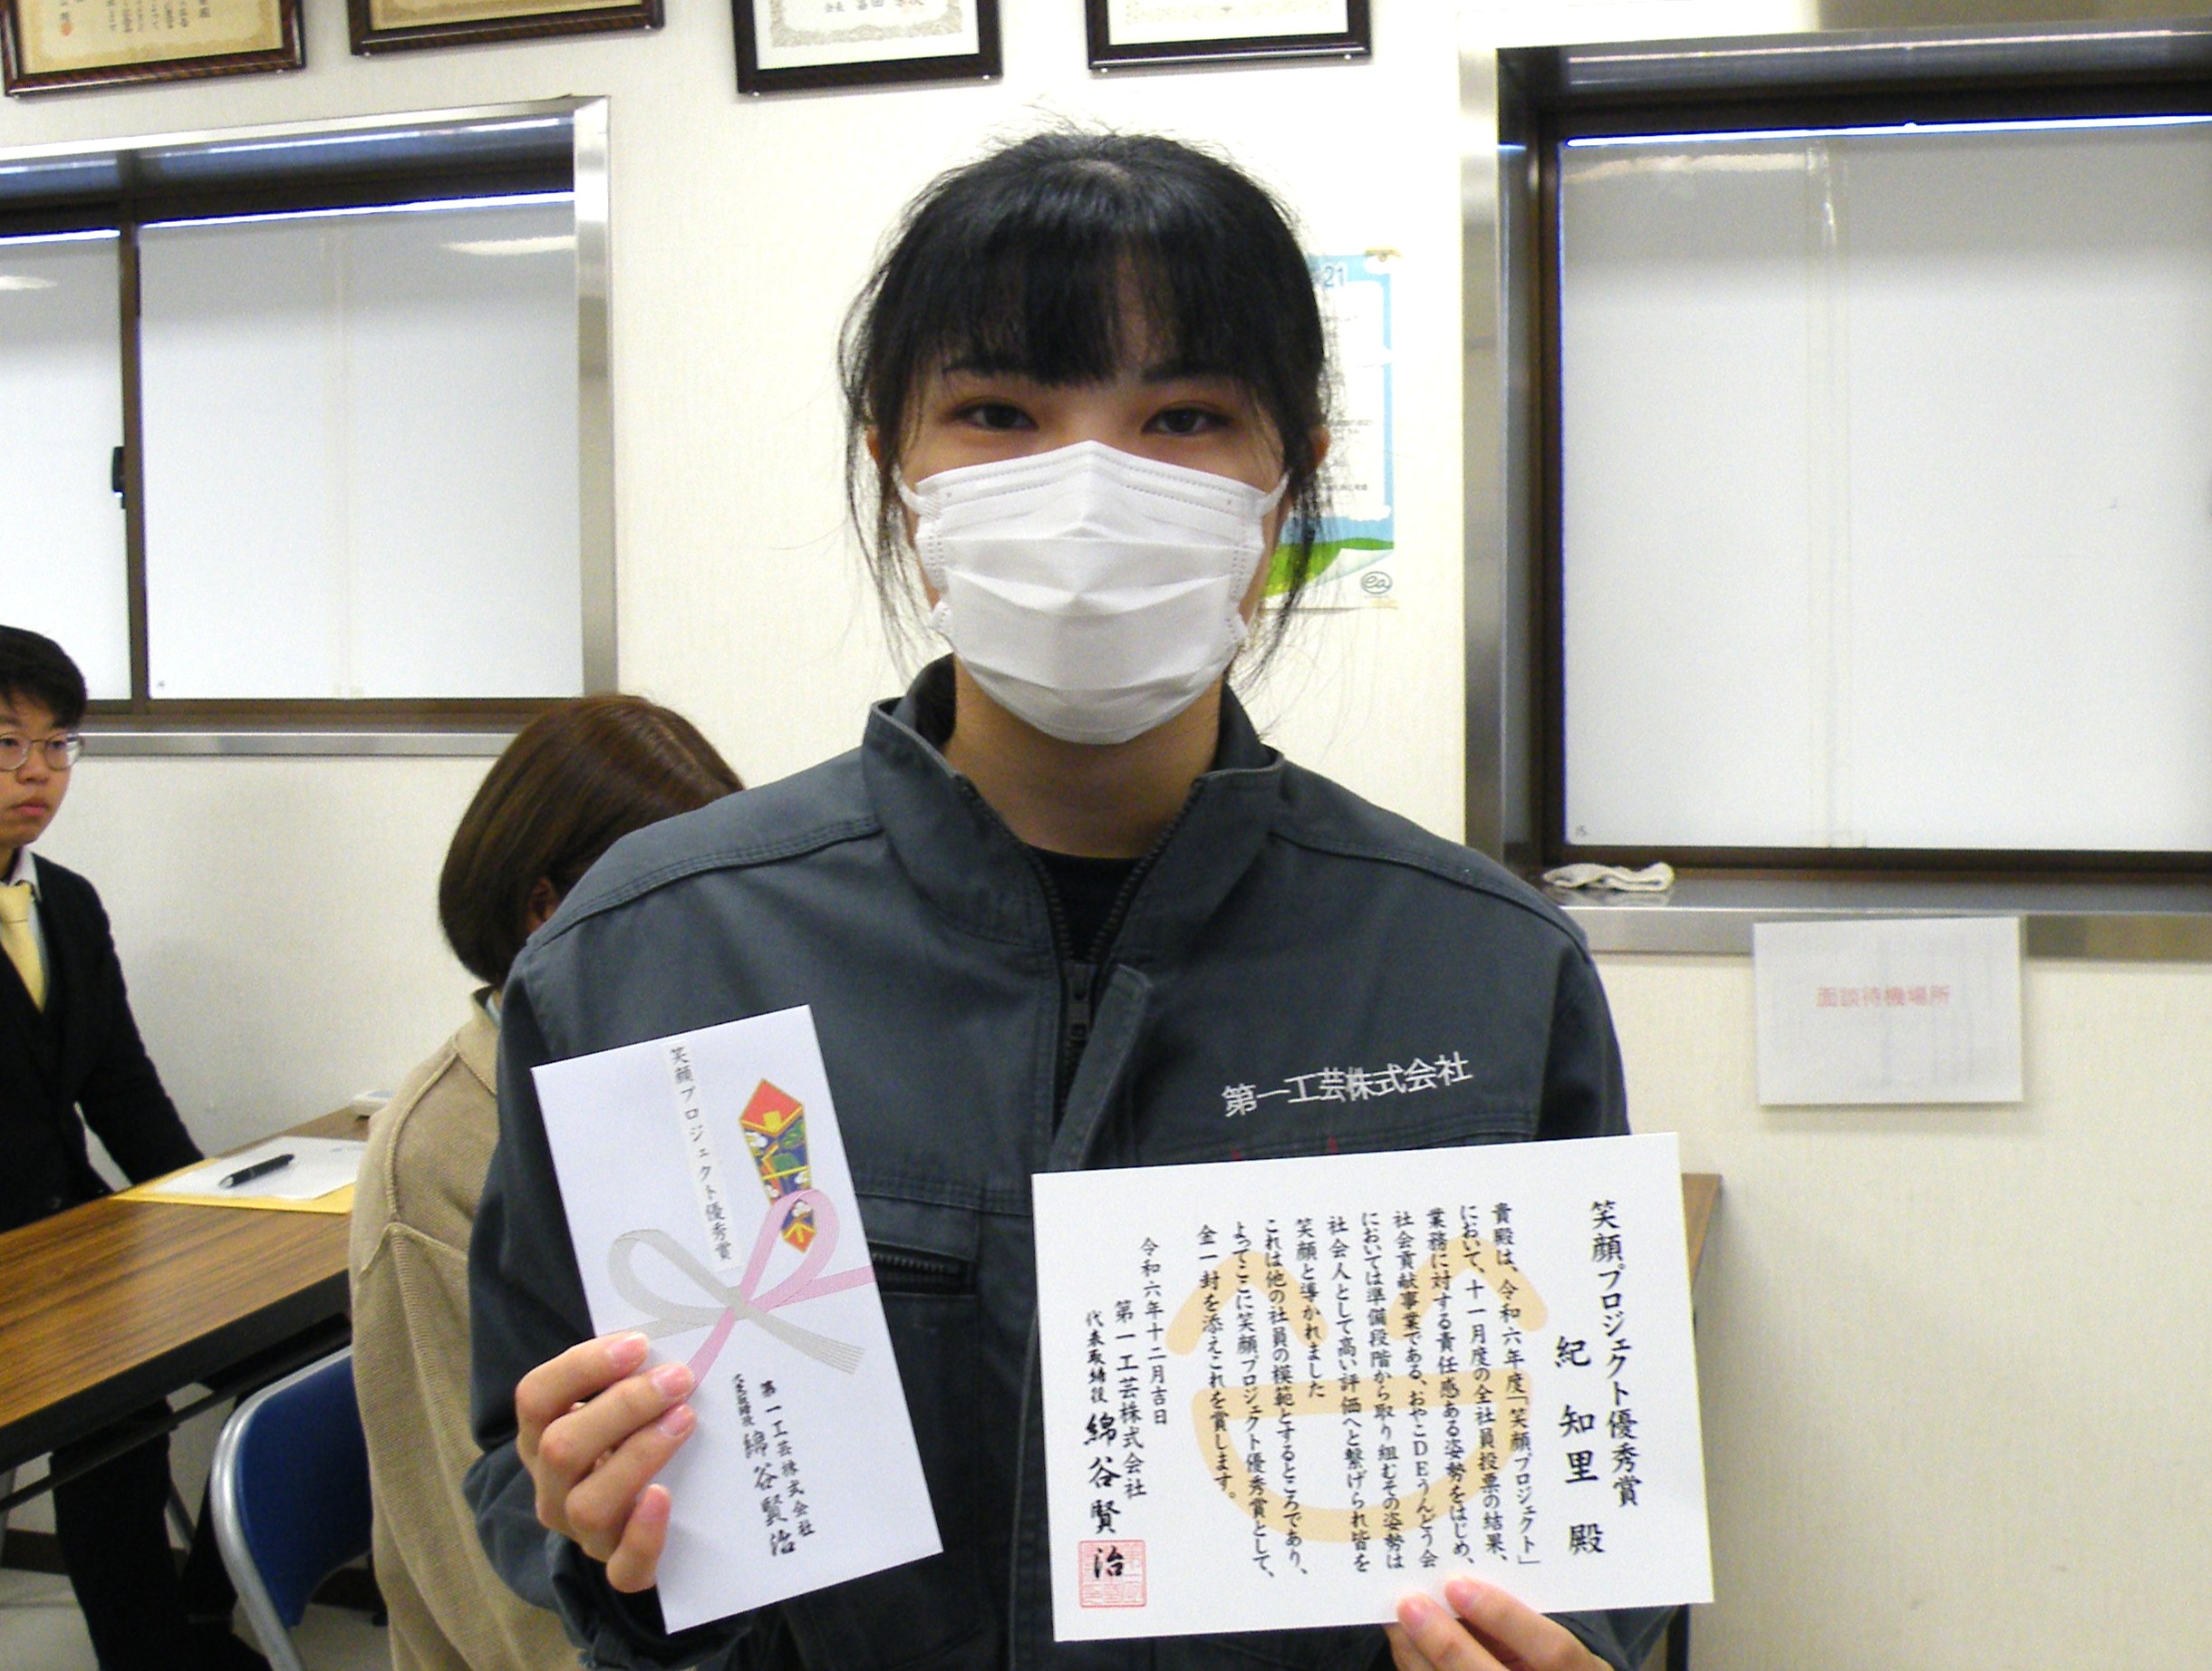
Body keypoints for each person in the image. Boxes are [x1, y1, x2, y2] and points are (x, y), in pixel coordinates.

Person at [465, 130, 1671, 1671]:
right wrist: (598, 1529)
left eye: (1183, 417)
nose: (1091, 491)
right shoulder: (653, 952)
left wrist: (1564, 1643)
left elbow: (1591, 1515)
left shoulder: (1486, 970)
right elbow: (525, 1463)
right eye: (999, 413)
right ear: (895, 465)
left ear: (1286, 477)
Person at [350, 695, 741, 1671]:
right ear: (544, 911)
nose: (717, 940)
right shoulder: (436, 1156)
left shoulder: (677, 1096)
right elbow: (488, 1577)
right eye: (676, 903)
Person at [0, 624, 264, 1671]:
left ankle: (193, 1619)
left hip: (72, 1239)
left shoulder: (64, 901)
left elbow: (123, 1092)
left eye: (57, 744)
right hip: (20, 1270)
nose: (37, 772)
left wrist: (222, 1213)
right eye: (6, 743)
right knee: (115, 1411)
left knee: (288, 1351)